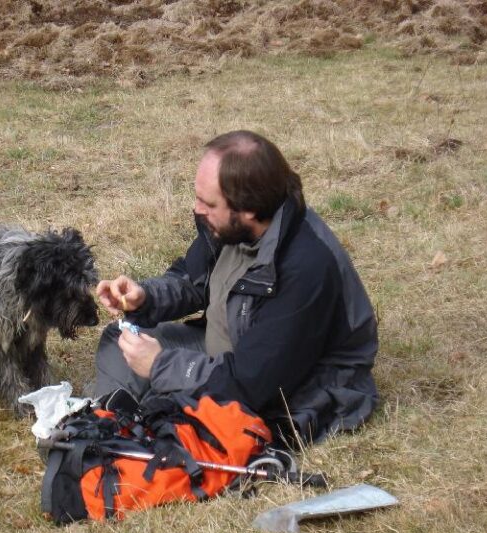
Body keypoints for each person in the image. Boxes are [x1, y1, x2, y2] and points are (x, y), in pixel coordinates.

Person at [93, 130, 378, 445]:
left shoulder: (306, 268)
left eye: (207, 202)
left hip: (288, 387)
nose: (197, 209)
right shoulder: (230, 225)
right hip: (230, 353)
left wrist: (162, 366)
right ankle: (116, 423)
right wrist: (145, 297)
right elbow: (193, 277)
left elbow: (252, 383)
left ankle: (137, 429)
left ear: (248, 209)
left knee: (194, 421)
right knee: (119, 342)